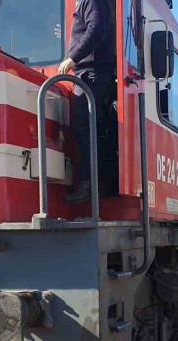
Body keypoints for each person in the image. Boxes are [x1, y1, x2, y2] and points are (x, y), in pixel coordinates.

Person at [59, 0, 115, 203]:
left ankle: (88, 185)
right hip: (92, 73)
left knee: (86, 129)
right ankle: (96, 184)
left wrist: (72, 58)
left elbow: (96, 27)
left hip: (91, 73)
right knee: (92, 130)